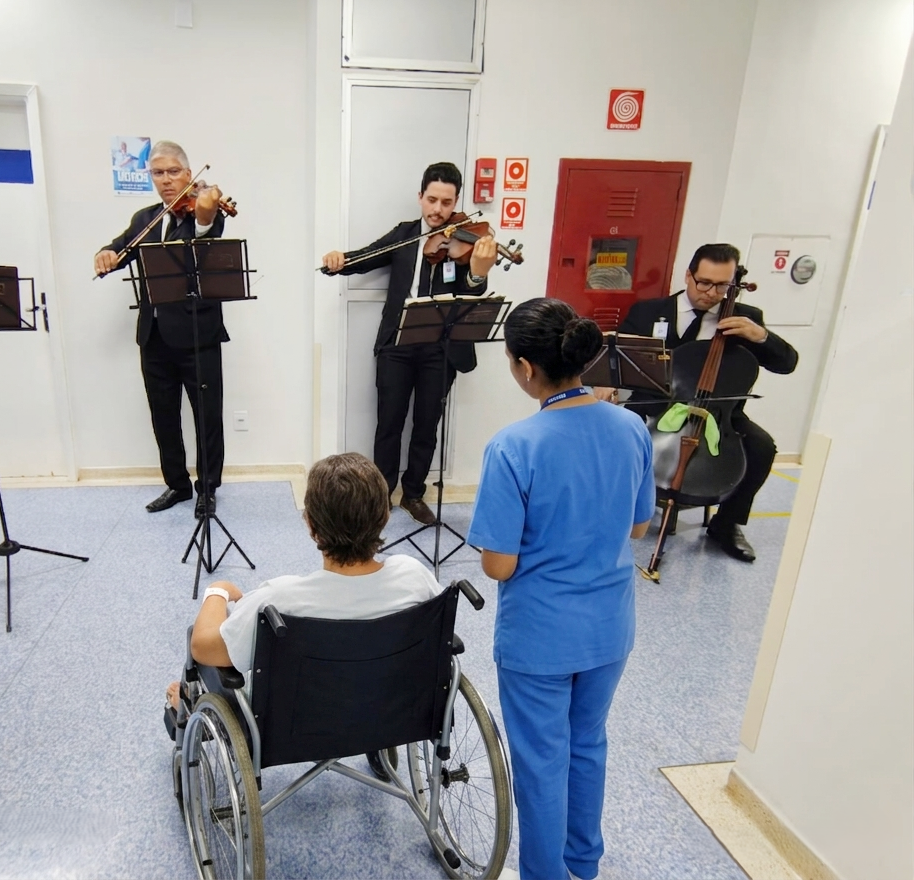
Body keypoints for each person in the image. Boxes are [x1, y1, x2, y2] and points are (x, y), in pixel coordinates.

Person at [468, 298, 655, 880]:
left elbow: (498, 566)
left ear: (525, 368)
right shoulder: (629, 427)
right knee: (587, 743)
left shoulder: (514, 446)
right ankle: (583, 863)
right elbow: (637, 526)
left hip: (541, 639)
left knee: (541, 762)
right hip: (608, 629)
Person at [165, 452, 442, 778]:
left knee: (197, 637)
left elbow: (203, 647)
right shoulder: (415, 576)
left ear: (311, 525)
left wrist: (218, 591)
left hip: (296, 728)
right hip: (391, 712)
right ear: (384, 515)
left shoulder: (279, 602)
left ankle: (180, 705)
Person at [597, 242, 799, 562]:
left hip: (717, 412)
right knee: (611, 432)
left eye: (722, 285)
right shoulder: (649, 311)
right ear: (688, 276)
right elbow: (618, 359)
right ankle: (615, 509)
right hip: (655, 404)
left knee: (762, 446)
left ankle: (726, 524)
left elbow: (787, 363)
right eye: (704, 282)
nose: (711, 293)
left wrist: (760, 336)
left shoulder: (745, 317)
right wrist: (605, 386)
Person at [321, 162, 498, 525]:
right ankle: (382, 492)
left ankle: (414, 493)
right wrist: (339, 261)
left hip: (441, 347)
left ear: (456, 202)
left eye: (446, 203)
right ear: (420, 197)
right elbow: (365, 257)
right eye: (432, 199)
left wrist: (478, 272)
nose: (438, 210)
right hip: (396, 345)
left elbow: (471, 294)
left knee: (426, 423)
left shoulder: (466, 240)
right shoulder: (405, 236)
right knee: (389, 420)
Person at [94, 141, 228, 517]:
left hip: (198, 335)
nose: (166, 180)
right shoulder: (145, 218)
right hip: (153, 335)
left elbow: (207, 227)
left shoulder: (202, 210)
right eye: (158, 173)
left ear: (188, 174)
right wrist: (105, 253)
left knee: (207, 416)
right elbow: (119, 249)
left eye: (173, 172)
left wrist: (206, 207)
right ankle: (177, 485)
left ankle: (208, 488)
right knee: (163, 415)